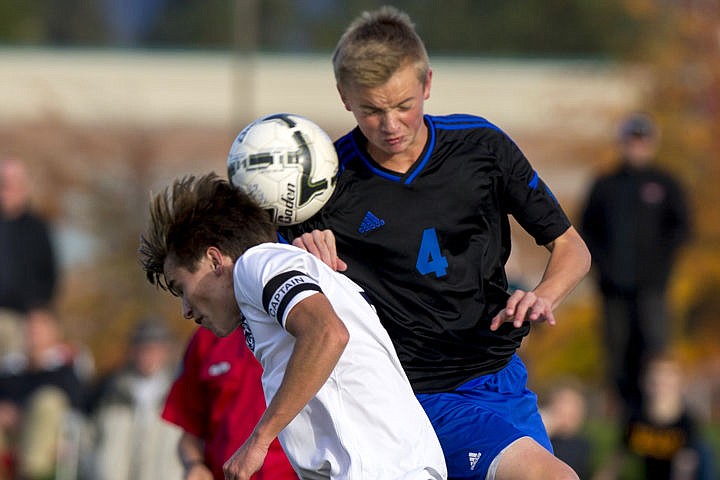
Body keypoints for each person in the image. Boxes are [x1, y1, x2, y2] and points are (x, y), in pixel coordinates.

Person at [281, 6, 591, 480]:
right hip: (415, 394)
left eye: (403, 104)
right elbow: (269, 278)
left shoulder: (481, 148)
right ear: (345, 99)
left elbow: (572, 248)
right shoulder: (324, 184)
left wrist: (542, 296)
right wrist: (299, 251)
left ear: (427, 84)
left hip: (502, 379)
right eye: (371, 110)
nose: (390, 124)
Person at [138, 173, 447, 480]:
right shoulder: (277, 282)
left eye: (182, 288)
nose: (186, 310)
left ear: (215, 260)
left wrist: (259, 441)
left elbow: (327, 334)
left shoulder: (254, 264)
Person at [580, 112, 691, 414]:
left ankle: (660, 412)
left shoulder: (665, 184)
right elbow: (586, 232)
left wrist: (660, 267)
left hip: (652, 288)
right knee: (618, 352)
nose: (637, 147)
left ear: (652, 144)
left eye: (643, 141)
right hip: (613, 289)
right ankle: (626, 413)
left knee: (655, 348)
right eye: (632, 141)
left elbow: (680, 230)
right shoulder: (605, 185)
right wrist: (604, 269)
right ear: (623, 143)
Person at [161, 326, 297, 480]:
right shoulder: (207, 335)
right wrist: (195, 465)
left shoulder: (295, 328)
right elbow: (190, 434)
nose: (187, 311)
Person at [83, 317, 184, 480]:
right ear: (133, 351)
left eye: (154, 349)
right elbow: (89, 436)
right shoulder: (110, 389)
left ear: (165, 351)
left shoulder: (179, 392)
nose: (148, 355)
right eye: (142, 348)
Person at [594, 353, 715, 480]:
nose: (661, 386)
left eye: (667, 381)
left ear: (678, 384)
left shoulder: (687, 422)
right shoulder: (637, 420)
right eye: (656, 381)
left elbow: (684, 468)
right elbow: (617, 460)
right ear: (644, 382)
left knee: (704, 450)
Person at [0, 309, 87, 480]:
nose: (33, 335)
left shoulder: (65, 371)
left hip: (49, 441)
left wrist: (20, 411)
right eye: (30, 329)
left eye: (39, 329)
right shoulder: (12, 370)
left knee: (47, 401)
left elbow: (77, 406)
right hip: (11, 435)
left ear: (55, 333)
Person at [0, 156, 58, 362]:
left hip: (22, 320)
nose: (5, 192)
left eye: (10, 186)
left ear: (23, 188)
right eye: (3, 186)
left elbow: (49, 275)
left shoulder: (37, 229)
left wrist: (38, 313)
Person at [540, 379, 593, 479]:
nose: (568, 411)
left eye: (575, 406)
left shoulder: (583, 445)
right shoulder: (545, 439)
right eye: (563, 403)